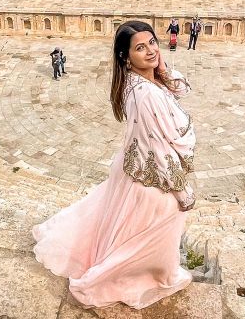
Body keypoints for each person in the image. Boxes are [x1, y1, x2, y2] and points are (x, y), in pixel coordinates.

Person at [33, 20, 196, 309]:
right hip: (151, 177)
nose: (150, 51)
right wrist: (182, 192)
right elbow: (158, 147)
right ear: (125, 56)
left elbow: (180, 88)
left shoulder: (144, 80)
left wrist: (159, 65)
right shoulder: (145, 95)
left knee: (121, 226)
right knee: (155, 227)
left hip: (132, 168)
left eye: (152, 43)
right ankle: (139, 276)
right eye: (140, 48)